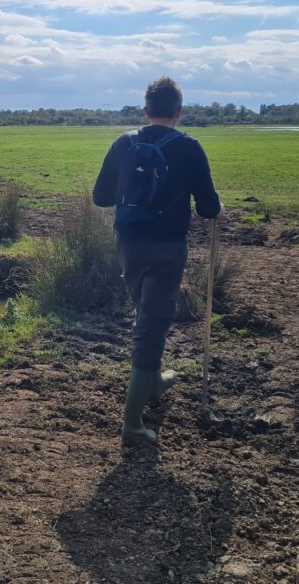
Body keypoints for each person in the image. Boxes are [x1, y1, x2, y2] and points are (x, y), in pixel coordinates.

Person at [92, 77, 224, 445]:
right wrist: (218, 208)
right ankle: (132, 425)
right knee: (152, 325)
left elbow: (101, 197)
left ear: (146, 110)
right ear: (179, 112)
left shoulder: (124, 143)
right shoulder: (189, 147)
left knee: (148, 315)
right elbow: (208, 208)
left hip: (128, 245)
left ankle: (151, 382)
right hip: (167, 249)